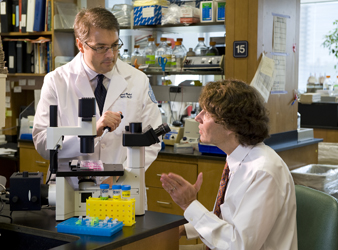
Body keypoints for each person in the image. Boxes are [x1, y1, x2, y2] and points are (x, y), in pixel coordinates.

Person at [160, 79, 297, 250]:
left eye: (207, 113)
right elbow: (228, 220)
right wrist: (184, 229)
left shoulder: (263, 172)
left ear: (230, 124)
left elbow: (239, 245)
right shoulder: (238, 159)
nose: (197, 118)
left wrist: (190, 205)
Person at [33, 7, 162, 186]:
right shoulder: (56, 81)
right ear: (81, 45)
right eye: (101, 47)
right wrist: (90, 131)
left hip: (122, 189)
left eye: (115, 45)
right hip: (70, 188)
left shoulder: (138, 80)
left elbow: (153, 139)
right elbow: (42, 143)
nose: (110, 55)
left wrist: (119, 175)